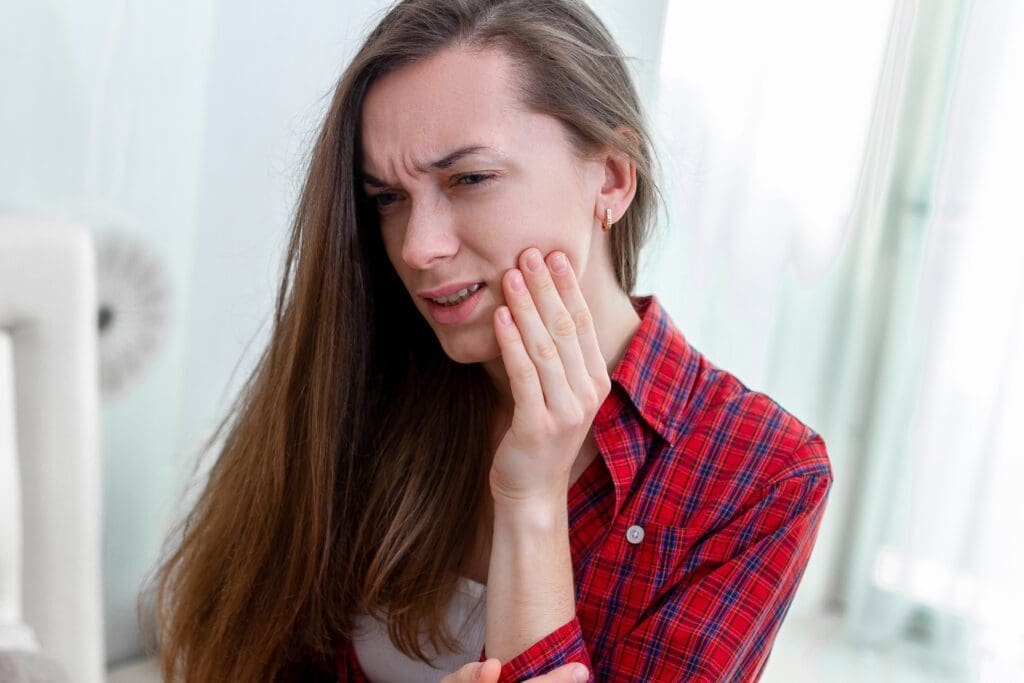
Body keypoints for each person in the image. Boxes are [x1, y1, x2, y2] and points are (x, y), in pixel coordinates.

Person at [145, 0, 834, 681]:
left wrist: (531, 499)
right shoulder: (362, 371)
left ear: (613, 179)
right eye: (387, 198)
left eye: (470, 179)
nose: (417, 248)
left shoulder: (760, 474)